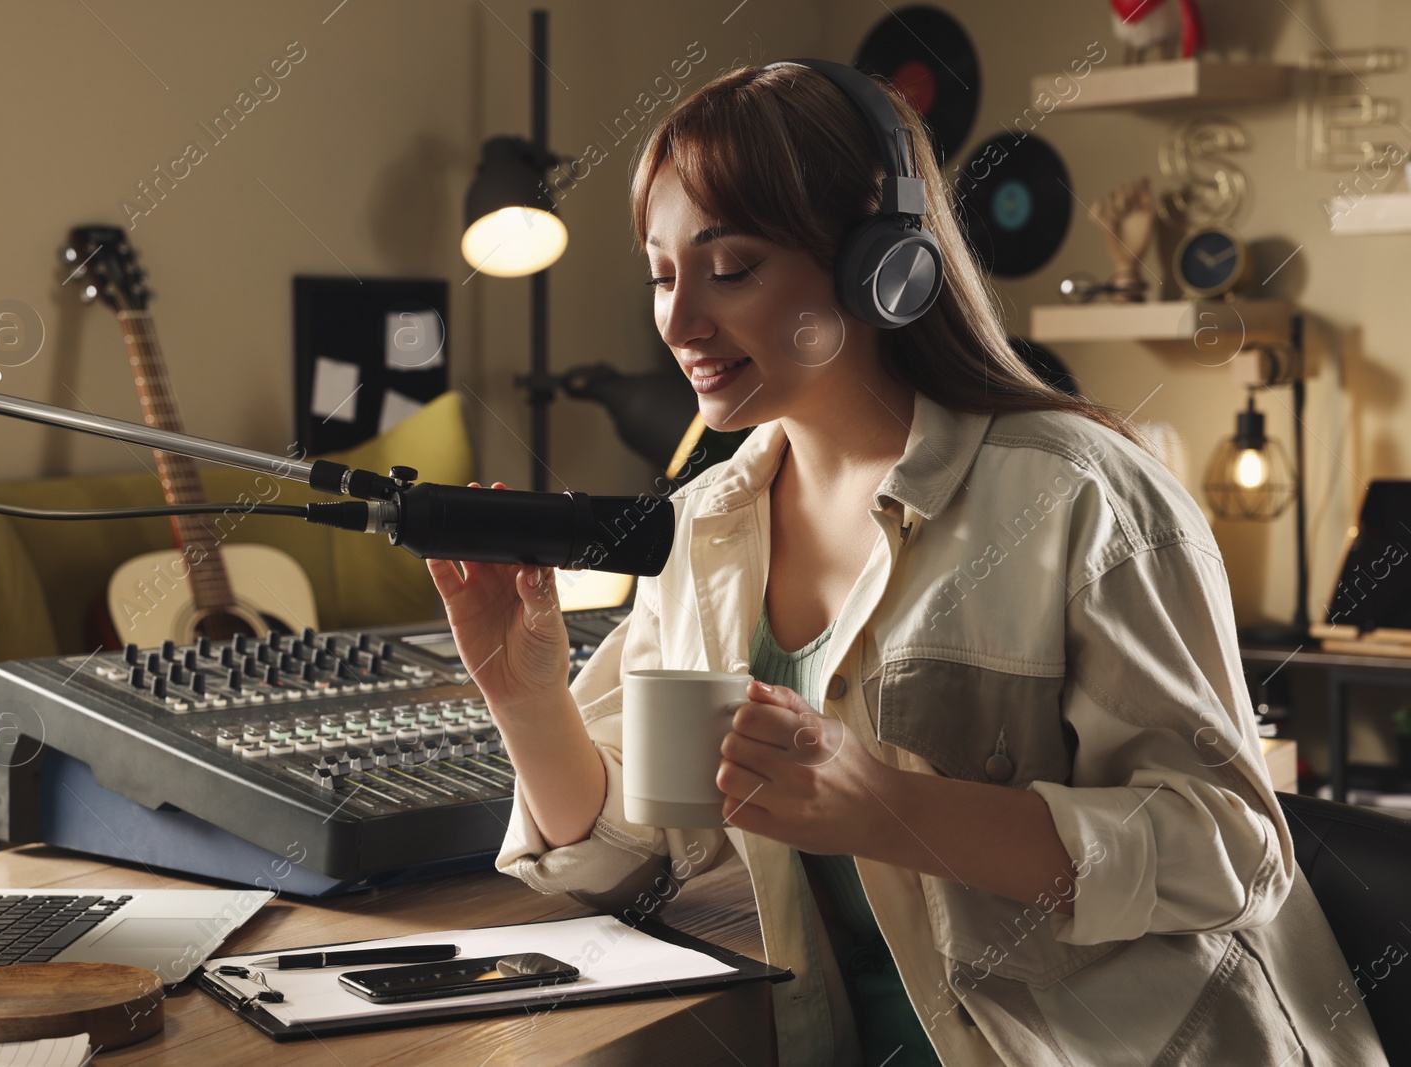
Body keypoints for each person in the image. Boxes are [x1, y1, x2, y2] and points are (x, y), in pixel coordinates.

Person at [427, 60, 1386, 1066]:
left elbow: (1229, 850)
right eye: (663, 275)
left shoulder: (1083, 495)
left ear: (879, 263)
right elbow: (633, 861)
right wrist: (528, 699)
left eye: (731, 268)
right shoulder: (705, 526)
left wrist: (889, 807)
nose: (677, 322)